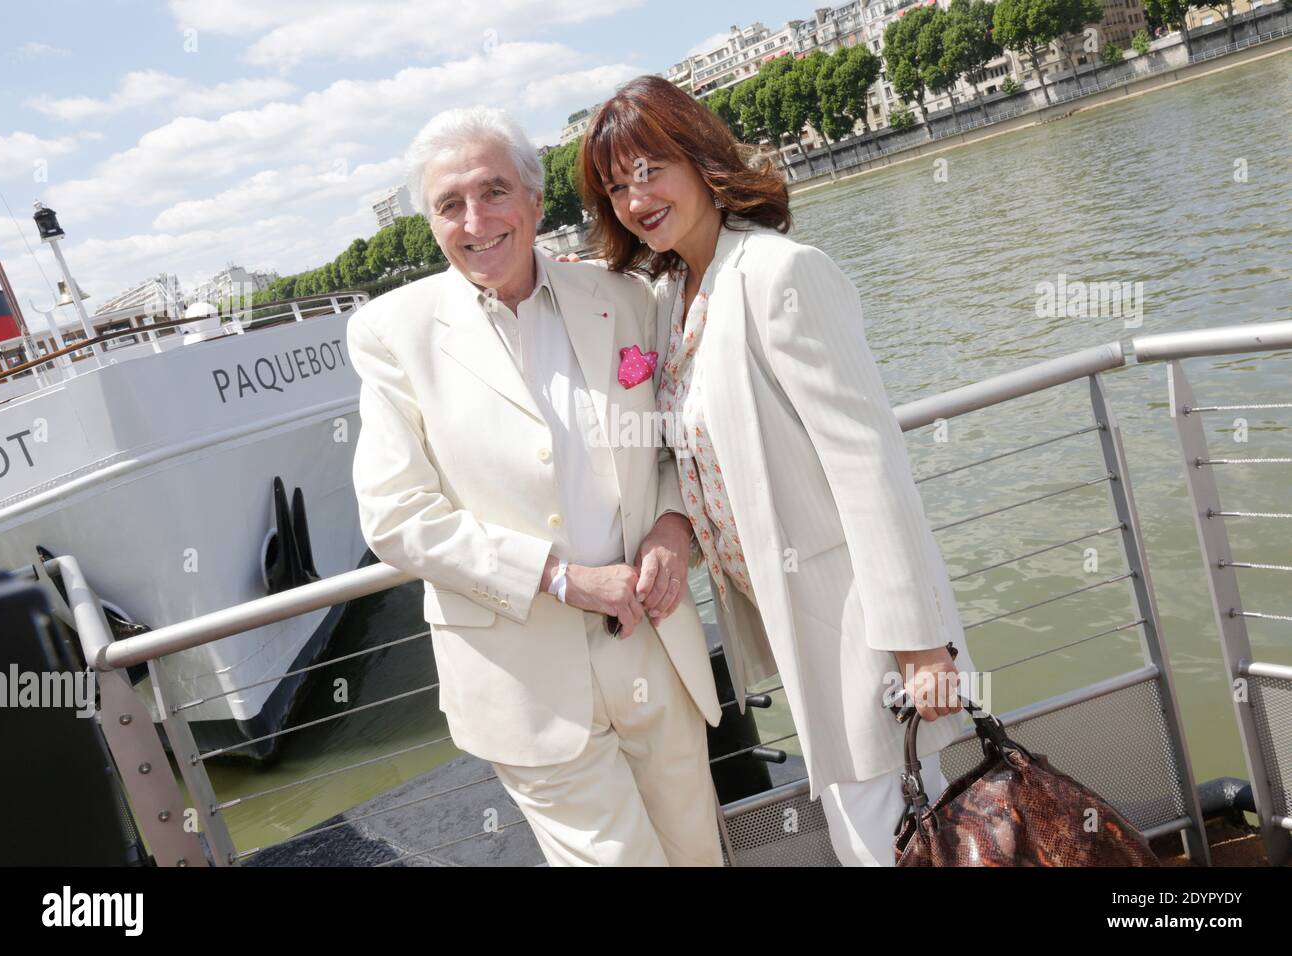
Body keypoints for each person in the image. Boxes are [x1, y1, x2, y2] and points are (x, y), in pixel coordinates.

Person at [577, 75, 977, 866]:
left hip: (858, 619)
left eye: (651, 169)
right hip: (795, 620)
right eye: (617, 187)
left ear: (698, 156)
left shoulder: (779, 274)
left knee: (887, 834)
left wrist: (920, 645)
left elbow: (870, 464)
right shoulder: (673, 298)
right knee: (888, 831)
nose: (636, 199)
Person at [346, 105, 724, 866]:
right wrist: (559, 578)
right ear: (431, 223)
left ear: (534, 199)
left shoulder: (624, 297)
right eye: (450, 205)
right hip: (522, 681)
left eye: (493, 192)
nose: (475, 219)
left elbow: (673, 447)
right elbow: (395, 515)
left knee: (697, 851)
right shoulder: (391, 333)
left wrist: (675, 529)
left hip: (653, 642)